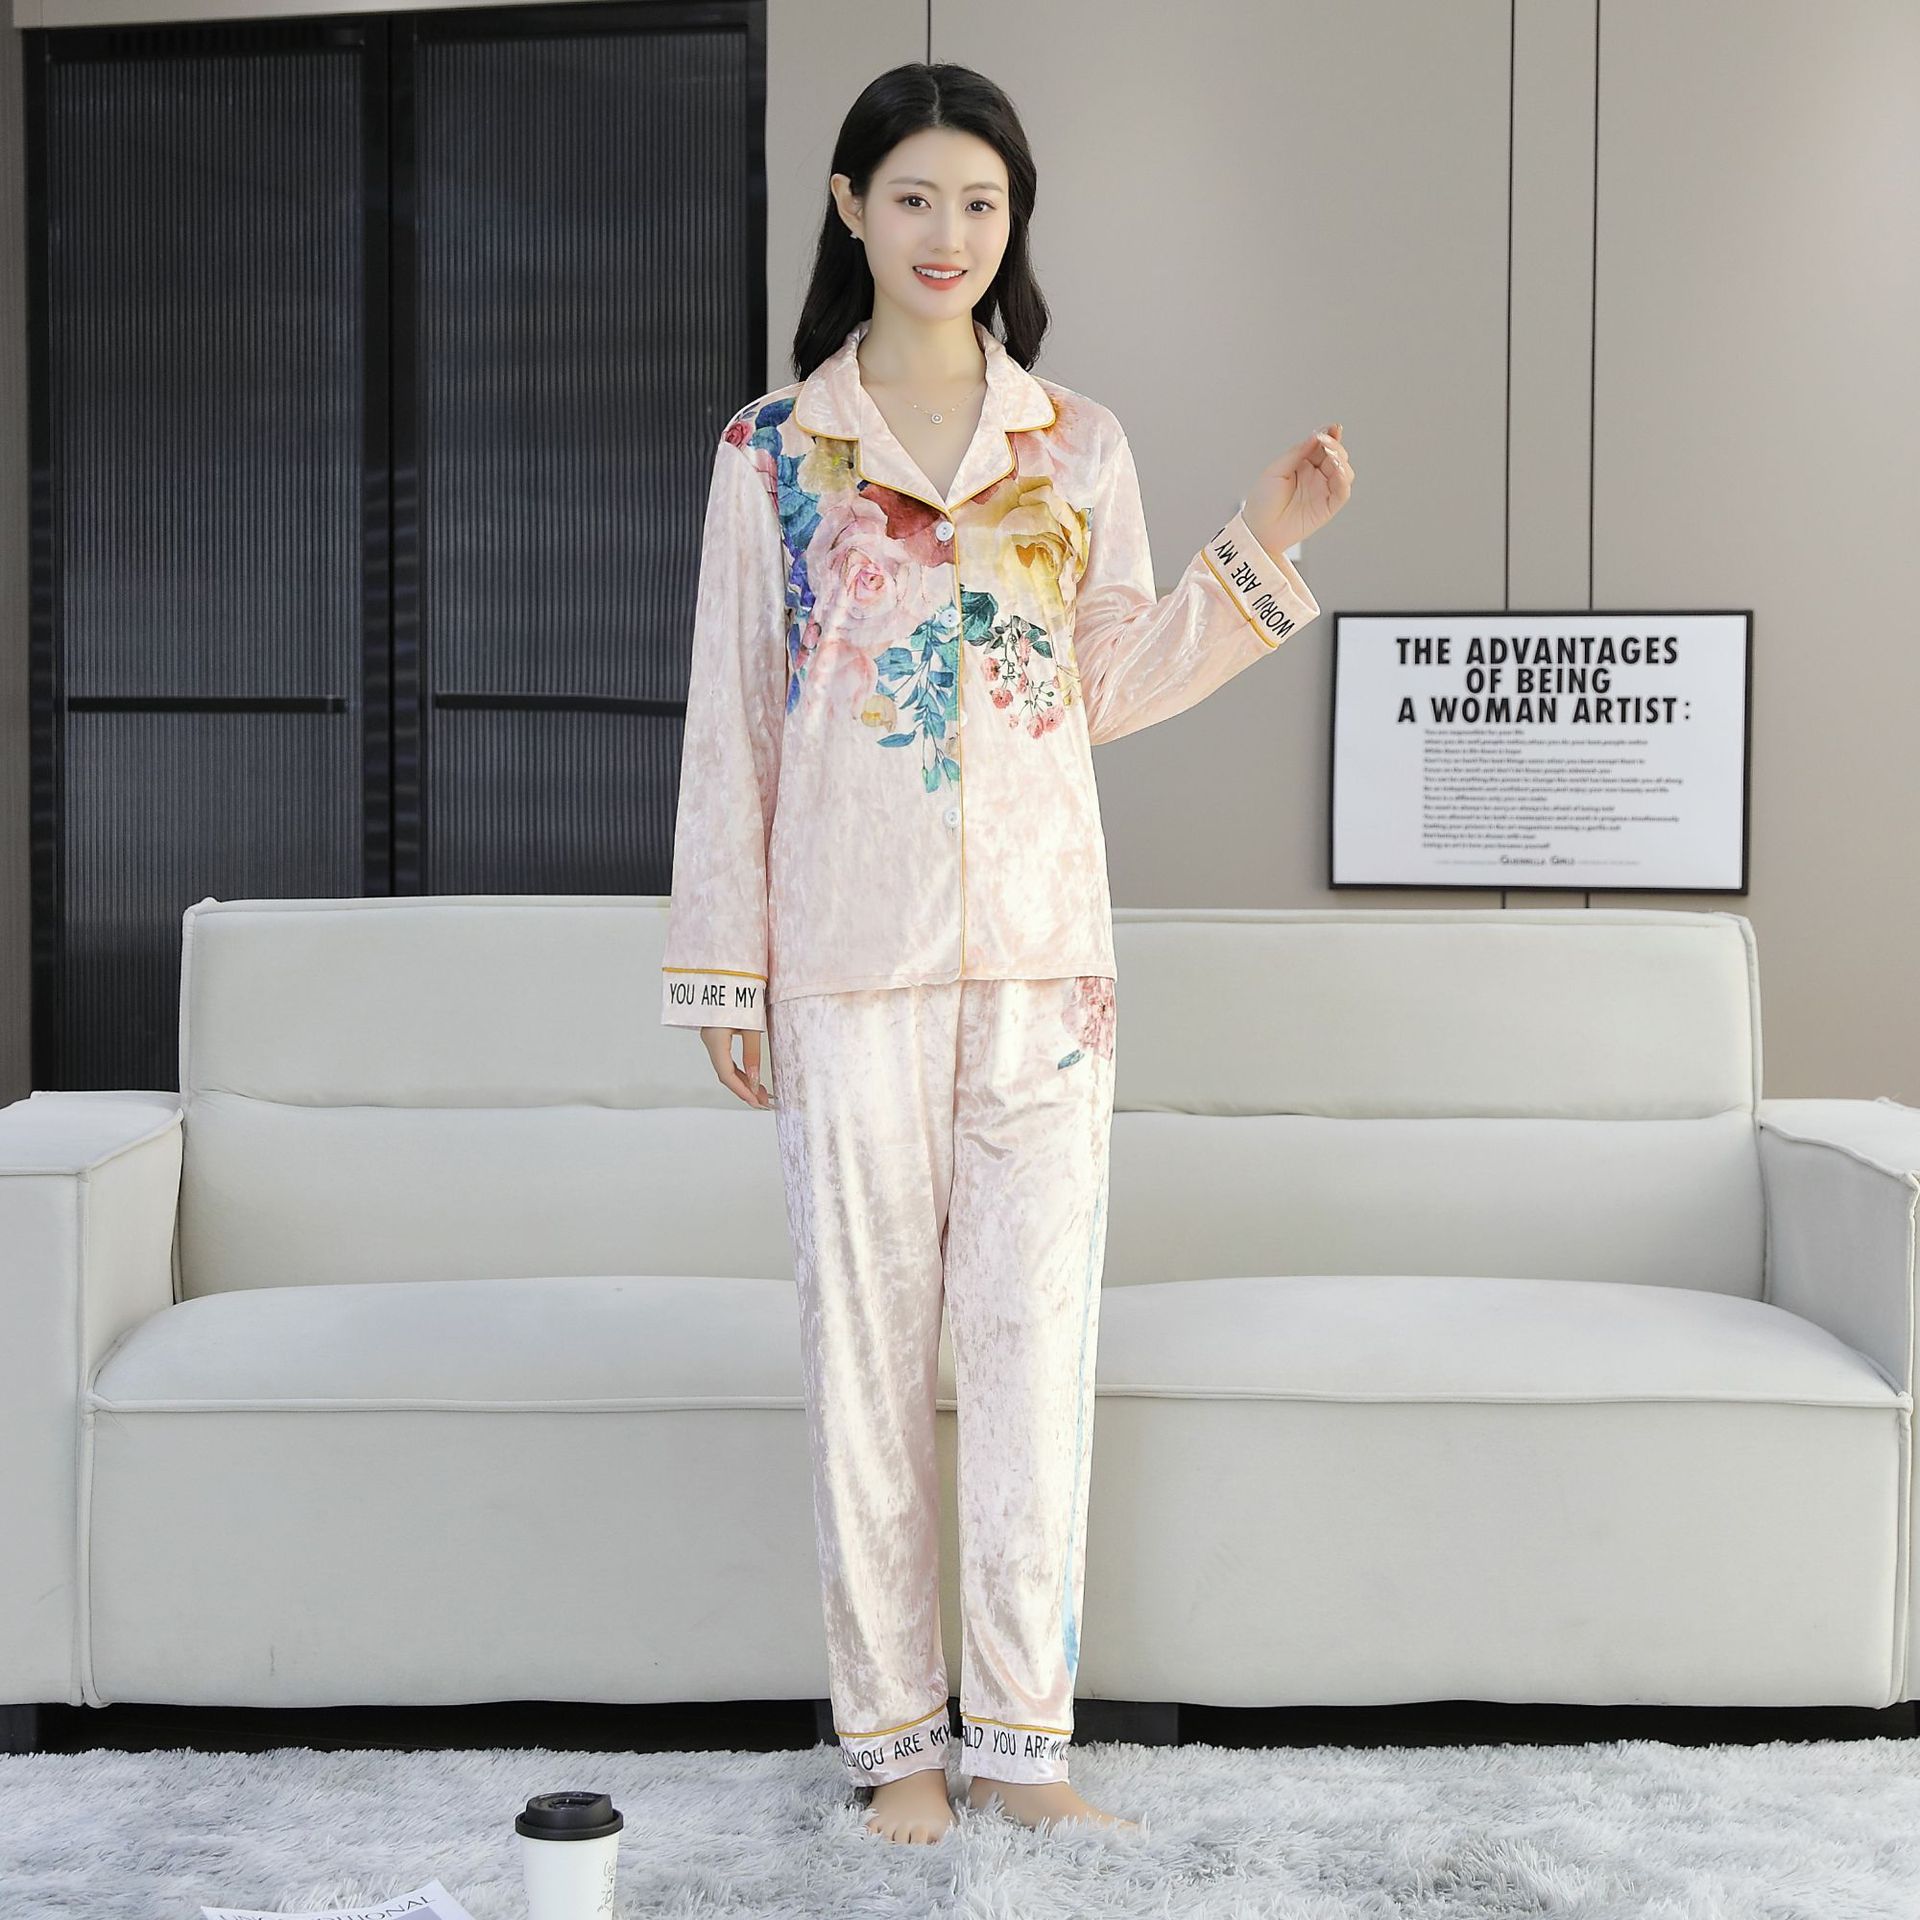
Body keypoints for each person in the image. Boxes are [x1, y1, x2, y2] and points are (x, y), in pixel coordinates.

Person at [659, 61, 1353, 1846]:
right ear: (849, 207)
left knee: (1036, 1356)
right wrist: (725, 965)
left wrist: (1262, 549)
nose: (948, 232)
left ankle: (1025, 1748)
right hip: (845, 966)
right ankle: (897, 1741)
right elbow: (734, 713)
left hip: (1048, 969)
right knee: (868, 1365)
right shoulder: (771, 452)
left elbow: (1101, 681)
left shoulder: (1079, 444)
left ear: (1011, 221)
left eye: (981, 202)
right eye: (914, 197)